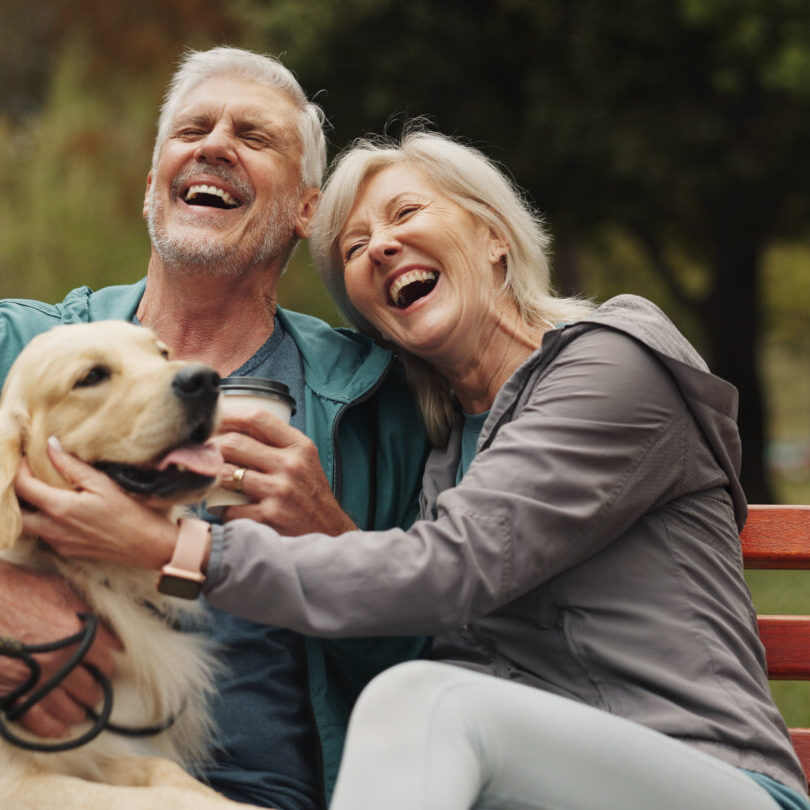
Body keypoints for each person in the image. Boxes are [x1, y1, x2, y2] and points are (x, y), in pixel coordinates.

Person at [15, 128, 810, 810]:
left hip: (703, 776)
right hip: (521, 789)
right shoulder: (438, 455)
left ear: (493, 235)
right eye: (354, 248)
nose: (382, 247)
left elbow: (451, 568)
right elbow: (426, 618)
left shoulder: (611, 368)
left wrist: (171, 547)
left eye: (405, 214)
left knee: (423, 702)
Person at [0, 48, 429, 810]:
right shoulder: (19, 348)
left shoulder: (381, 400)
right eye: (192, 129)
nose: (216, 145)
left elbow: (434, 668)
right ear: (151, 187)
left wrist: (332, 545)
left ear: (306, 211)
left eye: (254, 137)